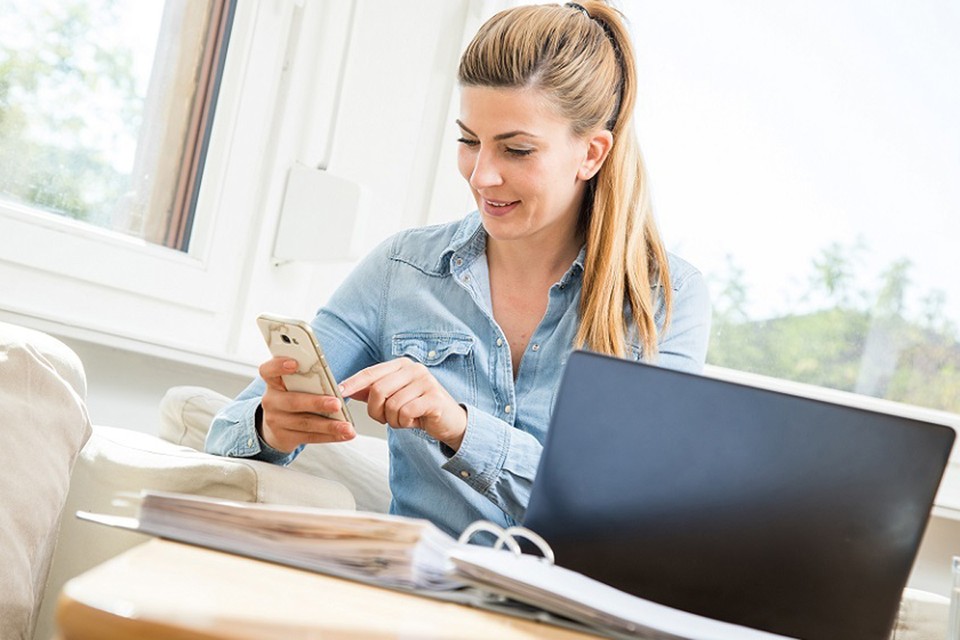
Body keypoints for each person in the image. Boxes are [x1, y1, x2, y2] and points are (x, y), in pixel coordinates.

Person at [206, 0, 711, 539]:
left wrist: (461, 427)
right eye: (469, 141)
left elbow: (632, 514)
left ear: (592, 153)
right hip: (414, 584)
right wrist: (271, 426)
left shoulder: (665, 298)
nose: (482, 175)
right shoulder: (402, 271)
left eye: (517, 150)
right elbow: (224, 437)